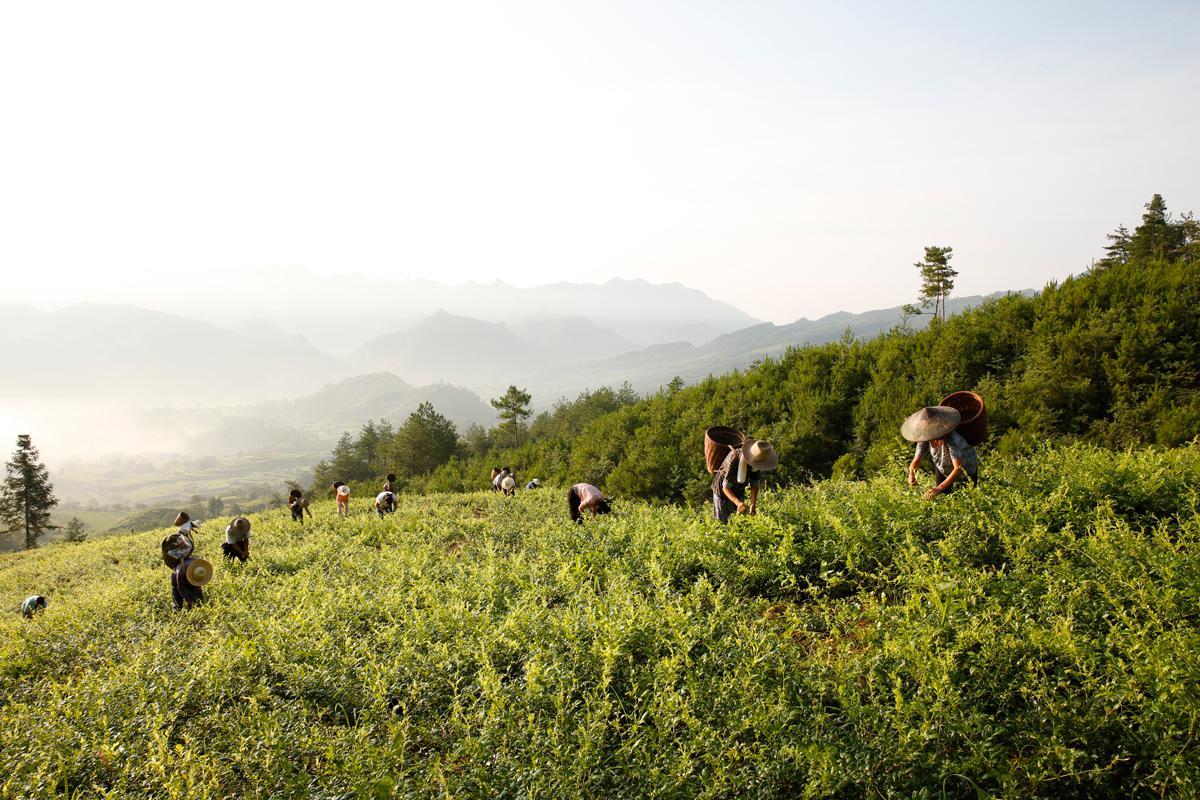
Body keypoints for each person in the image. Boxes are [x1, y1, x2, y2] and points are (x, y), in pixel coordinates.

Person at [902, 405, 979, 499]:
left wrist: (939, 488)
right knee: (942, 498)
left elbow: (958, 468)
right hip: (943, 466)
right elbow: (916, 459)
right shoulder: (925, 437)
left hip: (966, 470)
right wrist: (911, 475)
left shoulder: (952, 439)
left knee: (968, 500)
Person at [712, 438, 778, 523]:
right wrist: (738, 502)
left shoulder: (758, 462)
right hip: (722, 490)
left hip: (738, 489)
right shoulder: (734, 459)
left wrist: (753, 504)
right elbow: (726, 487)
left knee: (739, 521)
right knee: (721, 521)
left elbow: (755, 483)